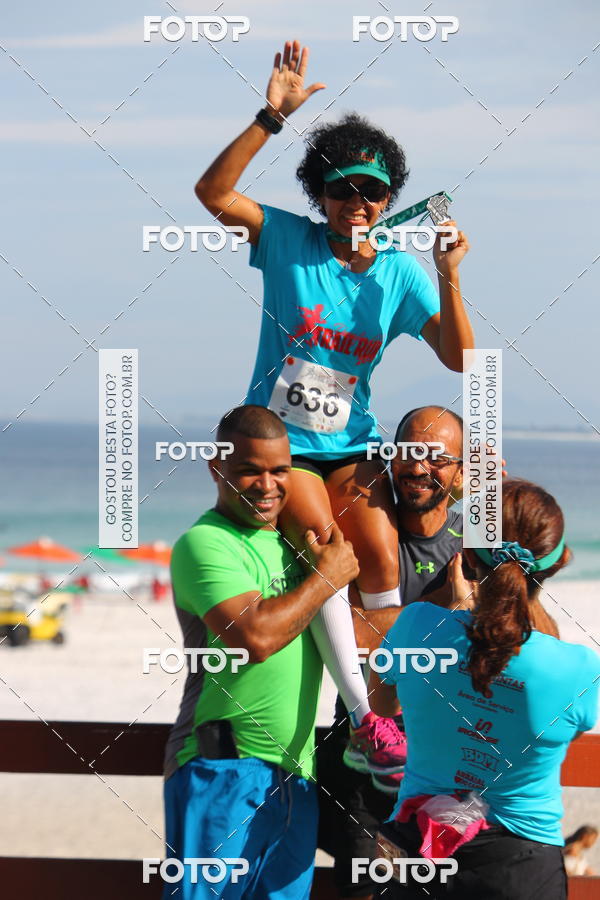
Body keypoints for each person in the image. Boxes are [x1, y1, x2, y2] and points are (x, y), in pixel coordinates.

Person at [195, 38, 474, 771]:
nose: (359, 203)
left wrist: (447, 276)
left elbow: (459, 357)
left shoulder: (401, 276)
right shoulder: (289, 241)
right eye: (344, 189)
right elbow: (212, 196)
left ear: (389, 198)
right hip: (284, 448)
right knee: (332, 554)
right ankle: (362, 721)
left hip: (353, 439)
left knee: (382, 556)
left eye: (373, 192)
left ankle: (388, 701)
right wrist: (269, 116)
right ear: (320, 194)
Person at [163, 405, 359, 899]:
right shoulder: (205, 544)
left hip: (297, 771)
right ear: (217, 469)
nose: (267, 485)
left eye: (279, 470)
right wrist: (327, 578)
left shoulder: (296, 546)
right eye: (250, 470)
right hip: (222, 766)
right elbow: (255, 638)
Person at [368, 479, 599, 899]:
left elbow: (381, 704)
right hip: (522, 868)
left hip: (419, 852)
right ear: (561, 560)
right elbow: (563, 728)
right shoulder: (579, 669)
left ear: (468, 556)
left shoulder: (417, 626)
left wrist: (460, 615)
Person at [317, 405, 466, 900]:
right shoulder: (365, 533)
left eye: (438, 457)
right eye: (410, 452)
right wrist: (444, 612)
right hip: (363, 758)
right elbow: (348, 632)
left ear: (463, 471)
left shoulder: (476, 544)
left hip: (450, 766)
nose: (420, 467)